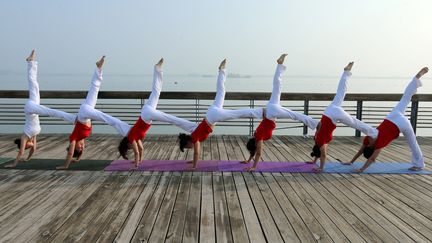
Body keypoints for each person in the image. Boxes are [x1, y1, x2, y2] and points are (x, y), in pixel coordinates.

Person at [178, 59, 264, 170]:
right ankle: (222, 70)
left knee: (236, 114)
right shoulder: (194, 134)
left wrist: (194, 166)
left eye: (188, 147)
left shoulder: (194, 138)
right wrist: (193, 160)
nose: (190, 148)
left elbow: (196, 153)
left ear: (188, 143)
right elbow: (196, 154)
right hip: (212, 112)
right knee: (221, 92)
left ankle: (261, 112)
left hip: (214, 116)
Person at [242, 54, 319, 171]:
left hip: (272, 112)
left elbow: (258, 154)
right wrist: (248, 160)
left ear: (255, 144)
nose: (255, 149)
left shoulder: (259, 138)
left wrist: (253, 167)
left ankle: (316, 124)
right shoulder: (256, 135)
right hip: (270, 109)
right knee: (277, 87)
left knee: (295, 115)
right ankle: (280, 65)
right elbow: (255, 151)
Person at [118, 58, 197, 168]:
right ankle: (158, 69)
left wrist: (136, 165)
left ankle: (193, 127)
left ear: (127, 144)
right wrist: (140, 160)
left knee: (169, 118)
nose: (132, 148)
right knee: (156, 91)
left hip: (147, 115)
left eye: (129, 147)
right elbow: (141, 149)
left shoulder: (131, 138)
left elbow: (137, 152)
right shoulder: (135, 138)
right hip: (146, 112)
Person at [348, 67, 428, 173]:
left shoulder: (378, 144)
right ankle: (415, 81)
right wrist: (351, 161)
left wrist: (361, 169)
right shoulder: (367, 139)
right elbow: (361, 151)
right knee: (405, 98)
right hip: (392, 116)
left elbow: (372, 158)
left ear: (371, 148)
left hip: (400, 124)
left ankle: (419, 164)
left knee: (413, 142)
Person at [5, 50, 76, 168]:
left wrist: (14, 164)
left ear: (25, 143)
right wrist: (28, 159)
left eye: (28, 145)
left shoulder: (25, 136)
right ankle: (31, 62)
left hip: (30, 109)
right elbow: (34, 148)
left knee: (51, 112)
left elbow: (21, 152)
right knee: (34, 85)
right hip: (34, 108)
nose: (31, 145)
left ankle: (73, 118)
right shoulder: (33, 135)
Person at [57, 56, 130, 169]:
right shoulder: (81, 141)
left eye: (79, 148)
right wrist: (78, 158)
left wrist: (65, 165)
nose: (81, 147)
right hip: (86, 110)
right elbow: (78, 152)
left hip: (84, 114)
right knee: (94, 89)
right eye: (81, 149)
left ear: (73, 146)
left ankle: (128, 130)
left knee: (106, 118)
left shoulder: (73, 139)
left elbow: (70, 153)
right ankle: (99, 68)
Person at [310, 62, 378, 172]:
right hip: (327, 112)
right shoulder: (316, 139)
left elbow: (323, 156)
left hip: (333, 116)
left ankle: (374, 133)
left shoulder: (321, 142)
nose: (323, 150)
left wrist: (321, 168)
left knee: (353, 122)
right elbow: (319, 132)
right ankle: (346, 72)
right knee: (341, 92)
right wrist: (314, 161)